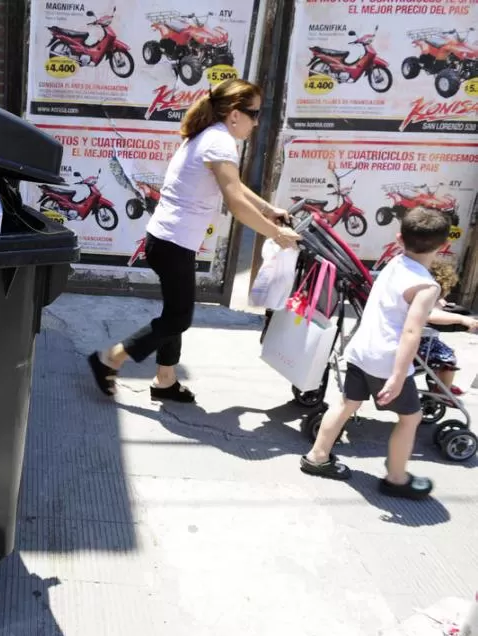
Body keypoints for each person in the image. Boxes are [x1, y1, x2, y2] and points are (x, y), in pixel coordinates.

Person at [86, 78, 300, 403]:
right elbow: (235, 201)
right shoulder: (219, 142)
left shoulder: (211, 136)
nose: (257, 122)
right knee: (179, 317)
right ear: (233, 114)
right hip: (172, 243)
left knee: (175, 310)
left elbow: (236, 186)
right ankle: (110, 359)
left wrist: (269, 210)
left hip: (168, 240)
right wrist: (276, 234)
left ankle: (165, 381)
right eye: (254, 114)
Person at [301, 207, 450, 499]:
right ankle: (396, 478)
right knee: (410, 419)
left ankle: (317, 458)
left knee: (346, 403)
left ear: (399, 238)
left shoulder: (395, 262)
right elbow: (411, 332)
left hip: (361, 349)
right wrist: (397, 377)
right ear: (444, 247)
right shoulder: (427, 286)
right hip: (387, 361)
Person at [419, 261, 478, 396]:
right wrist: (461, 319)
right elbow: (431, 315)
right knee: (448, 357)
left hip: (422, 341)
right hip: (421, 344)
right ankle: (444, 388)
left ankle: (441, 383)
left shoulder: (424, 297)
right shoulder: (428, 302)